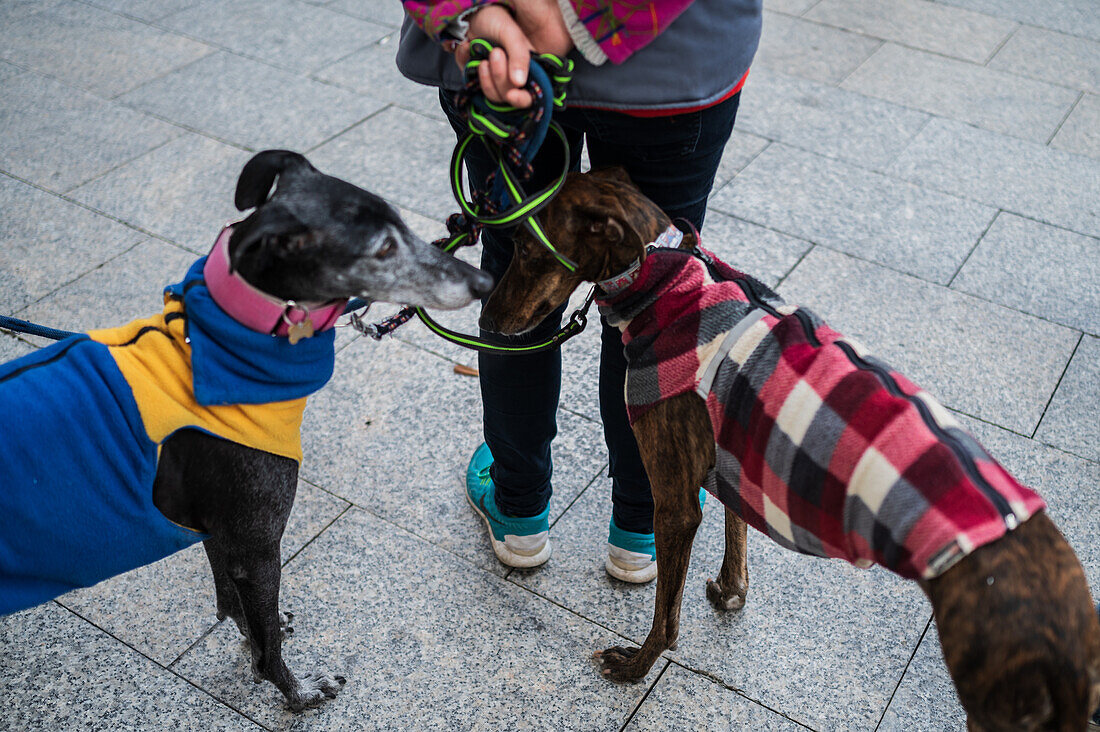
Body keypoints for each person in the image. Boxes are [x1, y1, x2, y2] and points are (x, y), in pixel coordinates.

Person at [397, 0, 763, 582]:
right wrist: (580, 17)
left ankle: (519, 509)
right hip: (670, 63)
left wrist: (466, 12)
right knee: (658, 294)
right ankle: (642, 525)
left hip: (503, 57)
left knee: (514, 268)